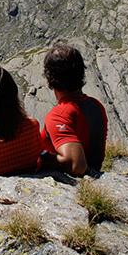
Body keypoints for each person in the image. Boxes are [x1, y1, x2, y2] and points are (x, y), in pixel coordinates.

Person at [40, 44, 108, 176]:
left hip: (70, 182)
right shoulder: (96, 105)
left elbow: (76, 165)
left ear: (49, 78)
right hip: (95, 172)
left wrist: (42, 158)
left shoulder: (59, 115)